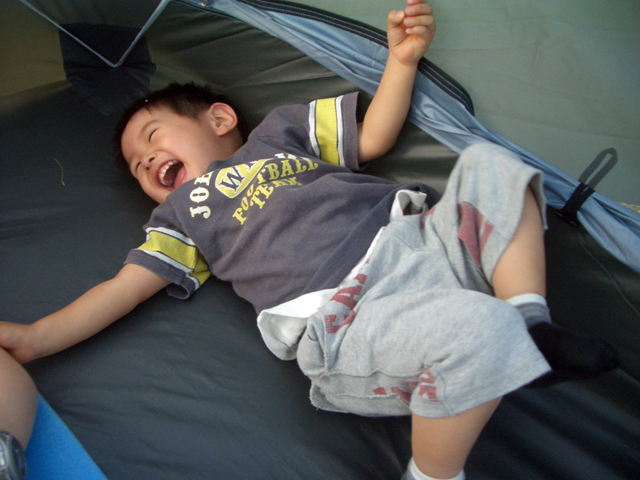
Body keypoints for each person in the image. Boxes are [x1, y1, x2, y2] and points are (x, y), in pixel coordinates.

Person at [0, 1, 619, 479]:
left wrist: (400, 63)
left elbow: (372, 138)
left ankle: (531, 320)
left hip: (426, 241)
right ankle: (433, 472)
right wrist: (37, 336)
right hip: (350, 316)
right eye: (139, 166)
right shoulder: (183, 217)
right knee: (478, 331)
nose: (147, 160)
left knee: (492, 164)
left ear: (219, 119)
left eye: (154, 136)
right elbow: (124, 288)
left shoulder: (280, 134)